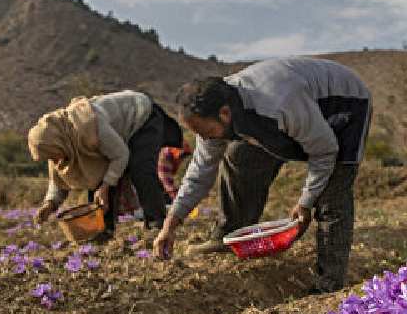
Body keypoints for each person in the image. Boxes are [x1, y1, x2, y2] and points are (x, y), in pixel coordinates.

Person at [153, 57, 371, 293]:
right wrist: (170, 225)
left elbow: (325, 150)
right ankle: (230, 234)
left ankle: (329, 282)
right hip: (296, 115)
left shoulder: (277, 104)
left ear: (225, 114)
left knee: (331, 196)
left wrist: (305, 202)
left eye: (205, 132)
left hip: (344, 106)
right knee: (240, 157)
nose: (204, 139)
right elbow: (199, 173)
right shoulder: (211, 114)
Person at [29, 90, 182, 236]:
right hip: (118, 135)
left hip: (141, 117)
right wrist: (49, 204)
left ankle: (156, 224)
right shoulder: (58, 143)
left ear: (57, 144)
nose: (55, 160)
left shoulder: (89, 126)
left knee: (140, 170)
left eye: (53, 155)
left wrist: (105, 186)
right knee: (96, 177)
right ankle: (103, 230)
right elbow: (58, 178)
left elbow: (121, 155)